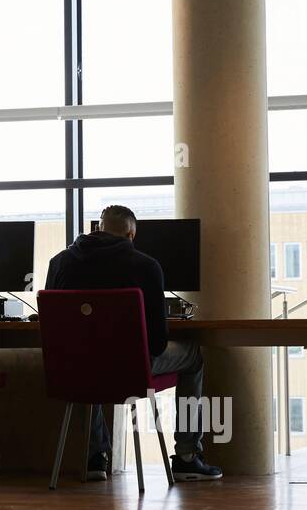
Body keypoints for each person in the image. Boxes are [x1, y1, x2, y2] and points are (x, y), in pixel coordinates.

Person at [44, 204, 222, 481]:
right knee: (193, 357)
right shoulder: (146, 266)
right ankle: (187, 456)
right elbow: (157, 343)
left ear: (98, 229)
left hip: (74, 369)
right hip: (129, 369)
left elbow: (53, 324)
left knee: (87, 364)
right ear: (130, 234)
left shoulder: (59, 263)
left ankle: (95, 457)